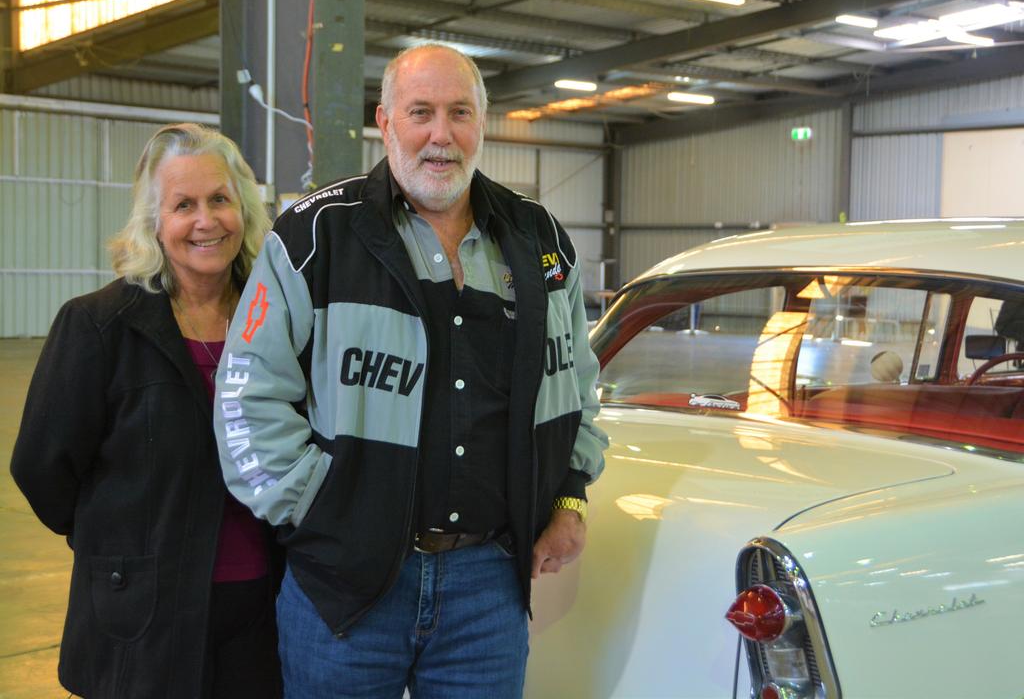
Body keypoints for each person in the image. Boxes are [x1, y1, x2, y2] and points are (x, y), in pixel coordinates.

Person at [214, 43, 608, 697]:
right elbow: (244, 401)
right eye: (420, 112)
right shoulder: (315, 236)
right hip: (346, 590)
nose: (440, 134)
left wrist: (568, 493)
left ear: (482, 124)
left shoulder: (541, 242)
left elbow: (574, 386)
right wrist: (328, 512)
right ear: (385, 122)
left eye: (460, 113)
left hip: (488, 590)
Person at [11, 123, 282, 699]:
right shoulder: (98, 327)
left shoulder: (279, 322)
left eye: (220, 200)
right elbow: (42, 465)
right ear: (154, 222)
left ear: (245, 211)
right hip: (142, 616)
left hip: (262, 611)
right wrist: (117, 545)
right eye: (183, 205)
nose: (206, 221)